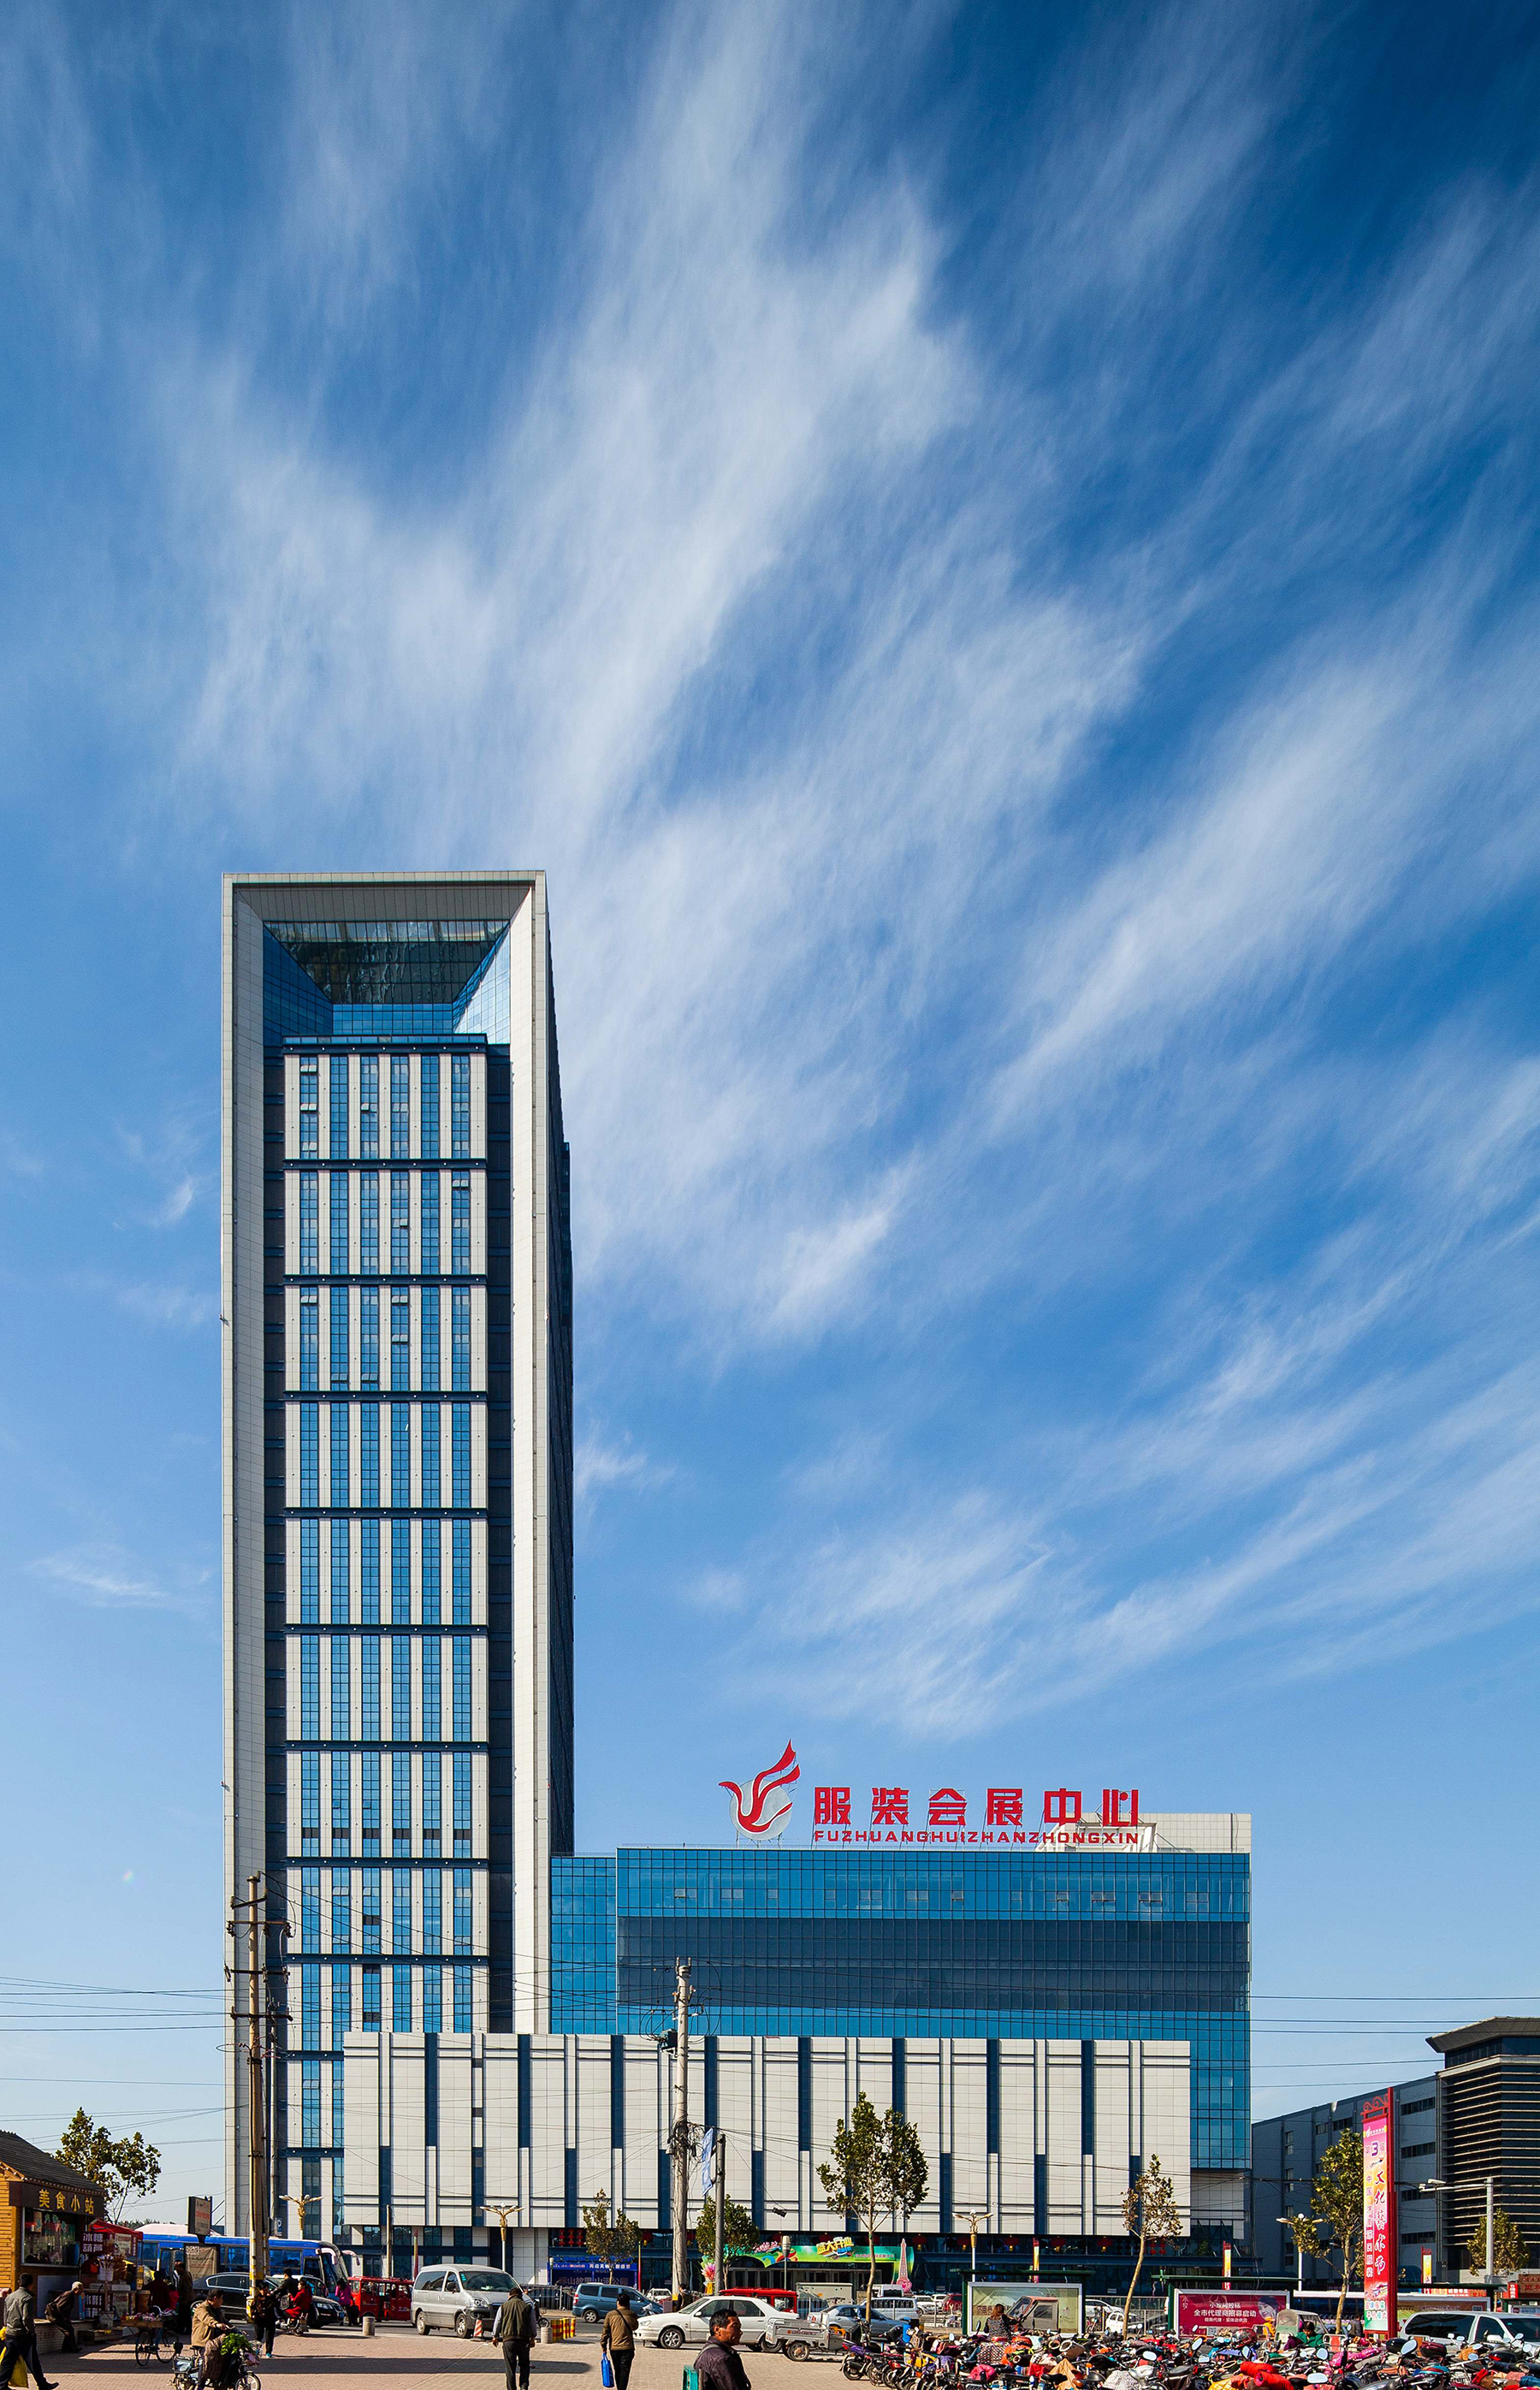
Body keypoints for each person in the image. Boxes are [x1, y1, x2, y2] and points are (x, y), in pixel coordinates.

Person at [0, 2275, 56, 2390]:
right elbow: (27, 2318)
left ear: (19, 2282)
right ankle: (42, 2384)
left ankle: (2, 2385)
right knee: (33, 2361)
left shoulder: (10, 2297)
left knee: (8, 2361)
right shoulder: (27, 2298)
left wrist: (7, 2327)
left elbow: (5, 2315)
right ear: (30, 2285)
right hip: (23, 2335)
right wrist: (31, 2331)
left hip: (10, 2333)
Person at [494, 2282, 537, 2390]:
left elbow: (498, 2322)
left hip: (508, 2341)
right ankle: (524, 2386)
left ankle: (511, 2388)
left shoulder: (503, 2306)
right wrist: (533, 2337)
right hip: (524, 2341)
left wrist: (495, 2336)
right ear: (521, 2296)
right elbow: (533, 2323)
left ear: (510, 2296)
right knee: (525, 2365)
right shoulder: (528, 2307)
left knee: (510, 2368)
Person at [696, 2307, 752, 2390]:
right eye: (735, 2327)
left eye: (739, 2328)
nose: (740, 2332)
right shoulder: (721, 2359)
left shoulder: (709, 2350)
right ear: (717, 2329)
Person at [601, 2292, 637, 2390]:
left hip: (614, 2348)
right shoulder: (632, 2314)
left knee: (617, 2370)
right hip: (628, 2348)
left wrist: (603, 2345)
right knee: (625, 2372)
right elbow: (635, 2327)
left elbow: (605, 2332)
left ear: (618, 2302)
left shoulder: (610, 2315)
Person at [190, 2290, 226, 2386]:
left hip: (215, 2341)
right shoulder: (201, 2308)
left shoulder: (217, 2310)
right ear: (215, 2299)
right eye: (221, 2299)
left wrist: (234, 2329)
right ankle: (200, 2385)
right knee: (207, 2359)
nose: (222, 2301)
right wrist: (217, 2324)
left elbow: (224, 2321)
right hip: (203, 2341)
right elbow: (207, 2319)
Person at [42, 2286, 81, 2359]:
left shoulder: (71, 2295)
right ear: (75, 2289)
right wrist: (63, 2317)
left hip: (57, 2316)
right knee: (68, 2330)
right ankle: (72, 2349)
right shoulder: (68, 2295)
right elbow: (59, 2306)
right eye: (80, 2290)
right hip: (54, 2316)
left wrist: (67, 2318)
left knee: (70, 2329)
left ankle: (67, 2348)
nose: (81, 2292)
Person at [247, 2280, 276, 2362]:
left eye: (266, 2289)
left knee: (269, 2337)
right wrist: (253, 2316)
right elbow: (252, 2308)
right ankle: (257, 2350)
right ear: (260, 2290)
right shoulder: (257, 2299)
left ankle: (268, 2352)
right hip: (259, 2320)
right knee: (258, 2336)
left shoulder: (272, 2298)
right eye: (263, 2290)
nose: (265, 2291)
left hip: (270, 2320)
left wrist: (272, 2297)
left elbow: (277, 2305)